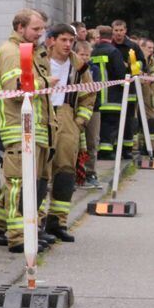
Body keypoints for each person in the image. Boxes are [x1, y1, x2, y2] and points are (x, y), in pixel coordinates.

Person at [0, 10, 54, 252]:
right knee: (19, 184)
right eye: (36, 29)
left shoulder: (29, 51)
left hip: (33, 127)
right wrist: (45, 83)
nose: (40, 33)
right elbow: (15, 89)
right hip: (17, 128)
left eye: (42, 29)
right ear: (20, 27)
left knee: (19, 183)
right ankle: (18, 236)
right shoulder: (11, 52)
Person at [44, 25, 95, 241]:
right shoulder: (40, 60)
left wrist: (80, 120)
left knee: (65, 171)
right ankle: (35, 223)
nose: (67, 45)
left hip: (67, 117)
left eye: (71, 41)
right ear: (52, 40)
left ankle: (58, 221)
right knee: (39, 172)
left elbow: (89, 95)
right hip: (43, 115)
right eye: (63, 40)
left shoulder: (79, 66)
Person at [92, 25, 128, 160]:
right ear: (111, 36)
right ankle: (106, 151)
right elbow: (121, 74)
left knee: (99, 125)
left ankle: (100, 149)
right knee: (111, 124)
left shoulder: (93, 51)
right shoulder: (114, 52)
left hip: (97, 95)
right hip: (112, 96)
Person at [111, 20, 142, 159]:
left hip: (129, 90)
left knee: (128, 120)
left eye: (121, 30)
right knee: (115, 120)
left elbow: (143, 62)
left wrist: (132, 64)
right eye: (116, 30)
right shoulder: (110, 46)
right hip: (113, 89)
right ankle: (115, 148)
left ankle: (127, 149)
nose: (118, 33)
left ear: (125, 30)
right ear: (112, 31)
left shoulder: (132, 46)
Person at [75, 40, 103, 189]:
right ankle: (75, 172)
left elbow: (94, 89)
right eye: (81, 54)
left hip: (93, 109)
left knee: (91, 141)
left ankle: (91, 172)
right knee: (75, 142)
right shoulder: (72, 69)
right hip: (74, 108)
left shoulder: (94, 70)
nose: (84, 58)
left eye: (87, 55)